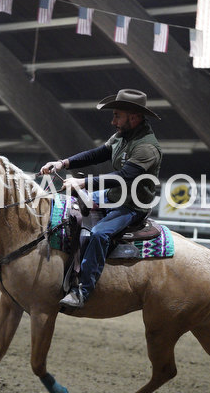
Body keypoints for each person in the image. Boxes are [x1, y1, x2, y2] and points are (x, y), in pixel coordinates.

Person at [40, 89, 162, 308]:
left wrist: (83, 182)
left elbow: (124, 177)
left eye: (117, 115)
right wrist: (63, 163)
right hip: (112, 196)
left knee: (99, 234)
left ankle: (82, 290)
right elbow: (98, 154)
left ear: (134, 117)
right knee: (68, 205)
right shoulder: (122, 136)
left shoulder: (147, 148)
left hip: (131, 205)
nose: (113, 121)